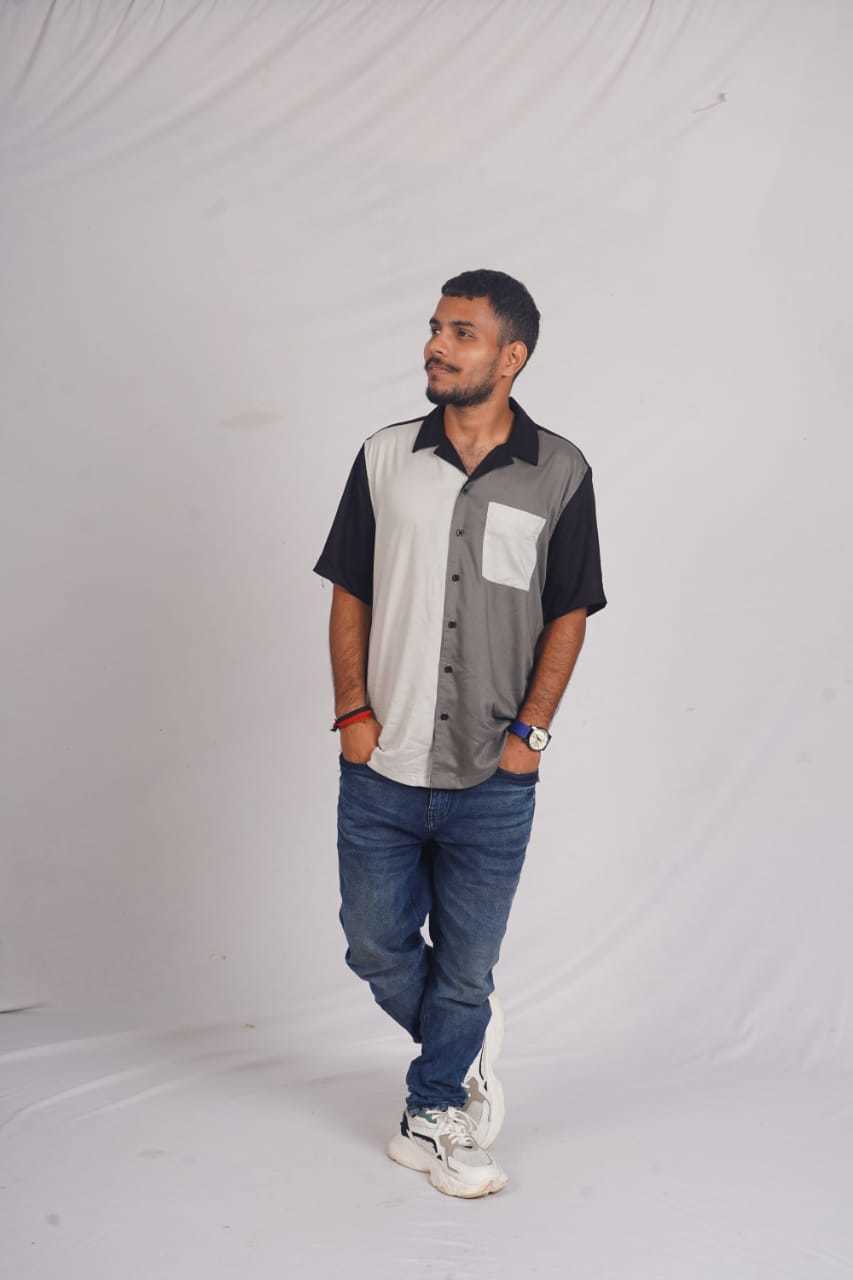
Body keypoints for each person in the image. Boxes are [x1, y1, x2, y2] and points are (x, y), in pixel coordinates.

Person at [313, 268, 607, 1198]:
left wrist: (532, 734)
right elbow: (349, 590)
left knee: (468, 969)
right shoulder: (382, 458)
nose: (435, 346)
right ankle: (462, 1040)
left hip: (493, 775)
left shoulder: (561, 471)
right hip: (382, 762)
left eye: (461, 333)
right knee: (373, 944)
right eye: (435, 328)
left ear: (510, 357)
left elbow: (569, 611)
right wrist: (352, 713)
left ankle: (435, 1109)